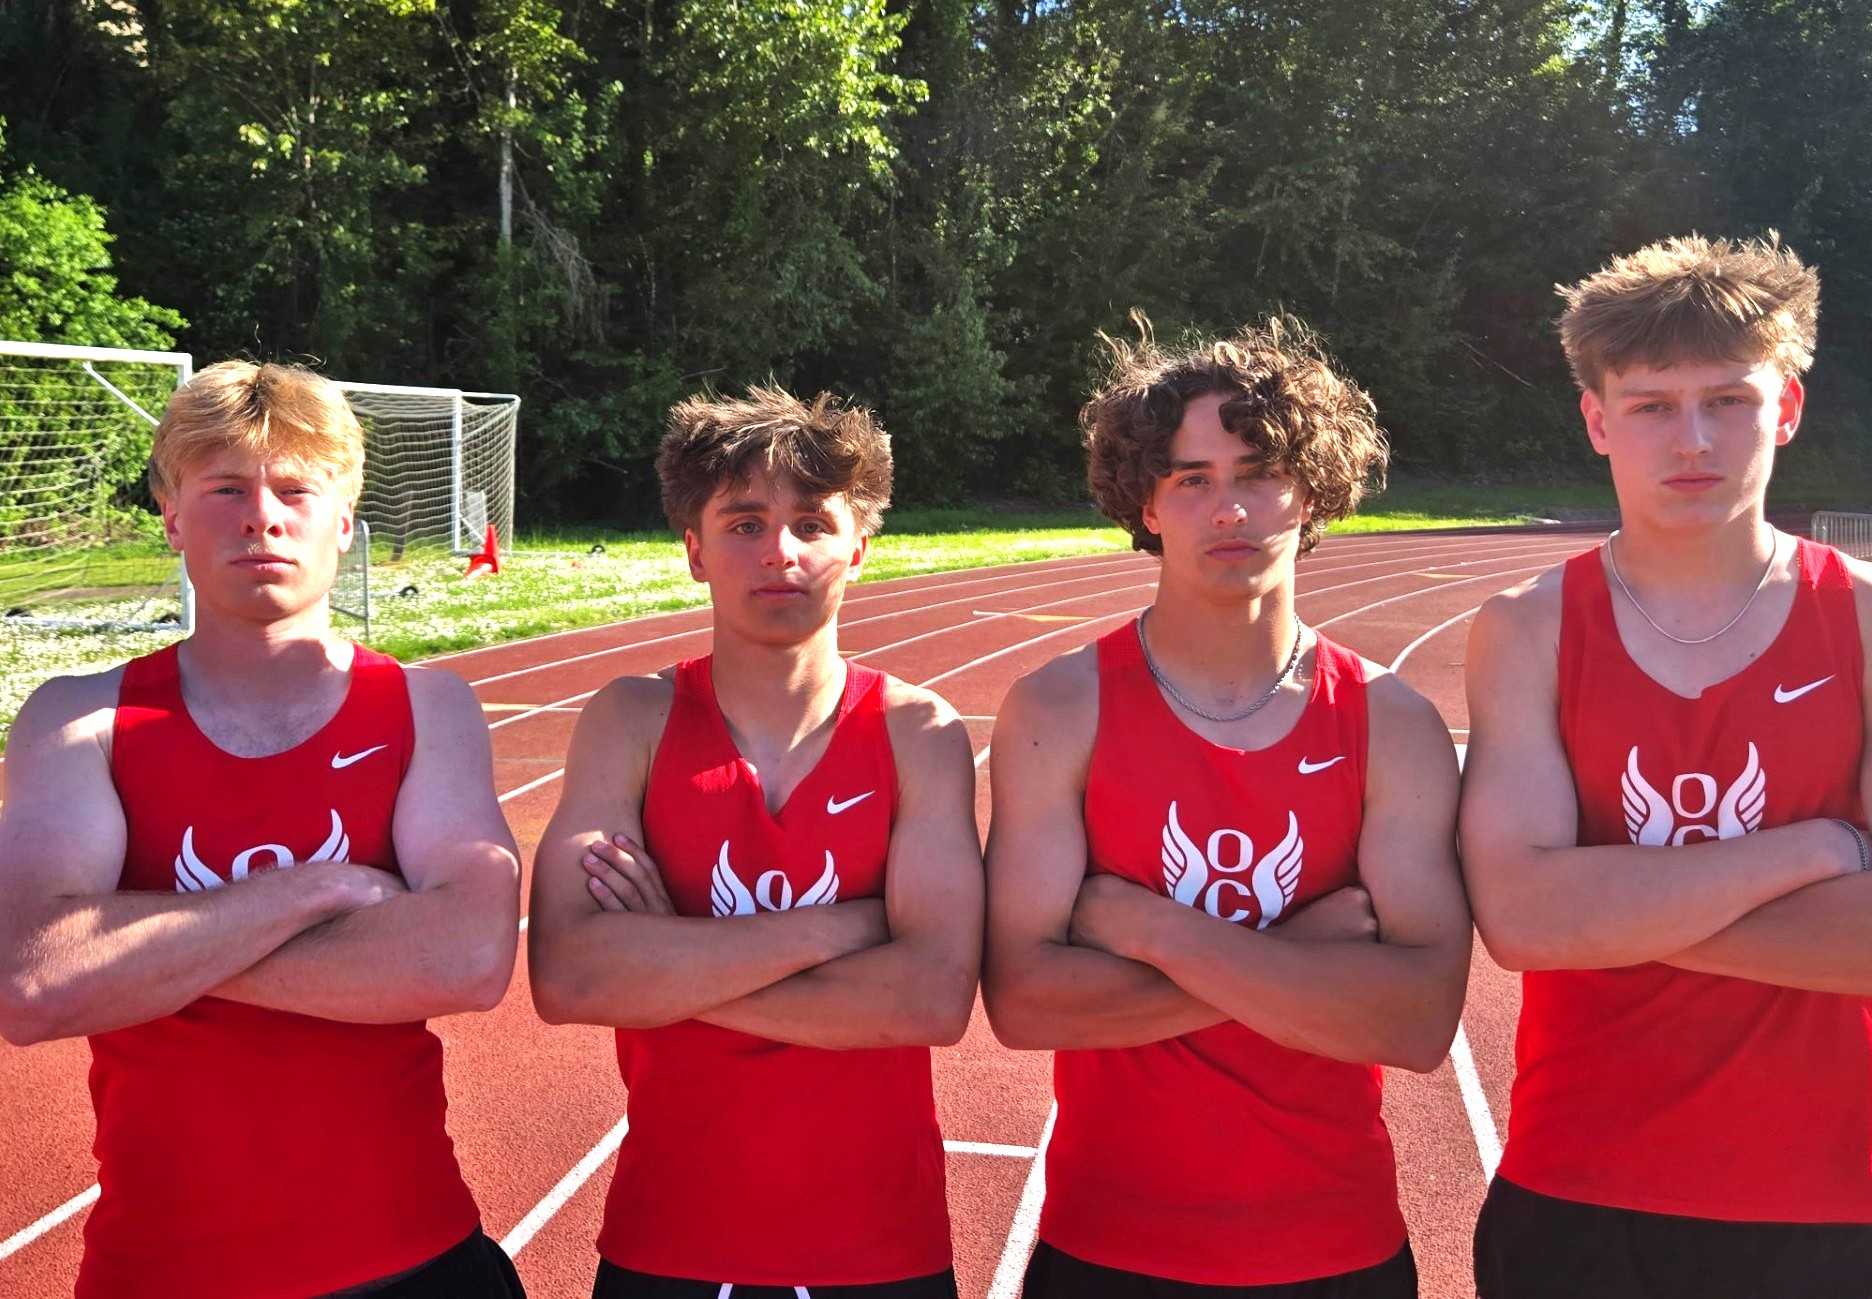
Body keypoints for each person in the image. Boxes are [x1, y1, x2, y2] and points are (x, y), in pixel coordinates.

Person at [0, 361, 525, 1297]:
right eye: (226, 490)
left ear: (343, 521)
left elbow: (467, 960)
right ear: (171, 517)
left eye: (295, 489)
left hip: (415, 1260)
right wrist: (312, 890)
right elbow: (37, 981)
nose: (262, 517)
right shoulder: (78, 720)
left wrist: (145, 954)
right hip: (159, 1272)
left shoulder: (427, 709)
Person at [1461, 233, 1872, 1298]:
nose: (1693, 439)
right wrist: (1814, 847)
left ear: (1789, 409)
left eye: (1730, 400)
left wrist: (1618, 912)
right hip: (1582, 1189)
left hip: (1839, 1196)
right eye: (1653, 405)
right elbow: (1524, 920)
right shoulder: (1529, 629)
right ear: (1597, 420)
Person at [982, 318, 1471, 1298]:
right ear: (1148, 504)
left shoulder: (1392, 723)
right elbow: (1024, 1003)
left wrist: (1145, 927)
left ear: (1313, 488)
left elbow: (1418, 1020)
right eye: (1191, 479)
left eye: (1257, 472)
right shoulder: (1059, 710)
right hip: (1107, 1248)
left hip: (1337, 1248)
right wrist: (1304, 963)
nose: (1229, 509)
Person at [527, 385, 984, 1299]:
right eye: (743, 523)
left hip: (881, 1245)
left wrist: (673, 969)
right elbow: (573, 976)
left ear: (859, 544)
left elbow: (932, 998)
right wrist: (850, 928)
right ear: (693, 549)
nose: (780, 551)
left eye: (812, 522)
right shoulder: (633, 720)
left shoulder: (917, 734)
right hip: (672, 1239)